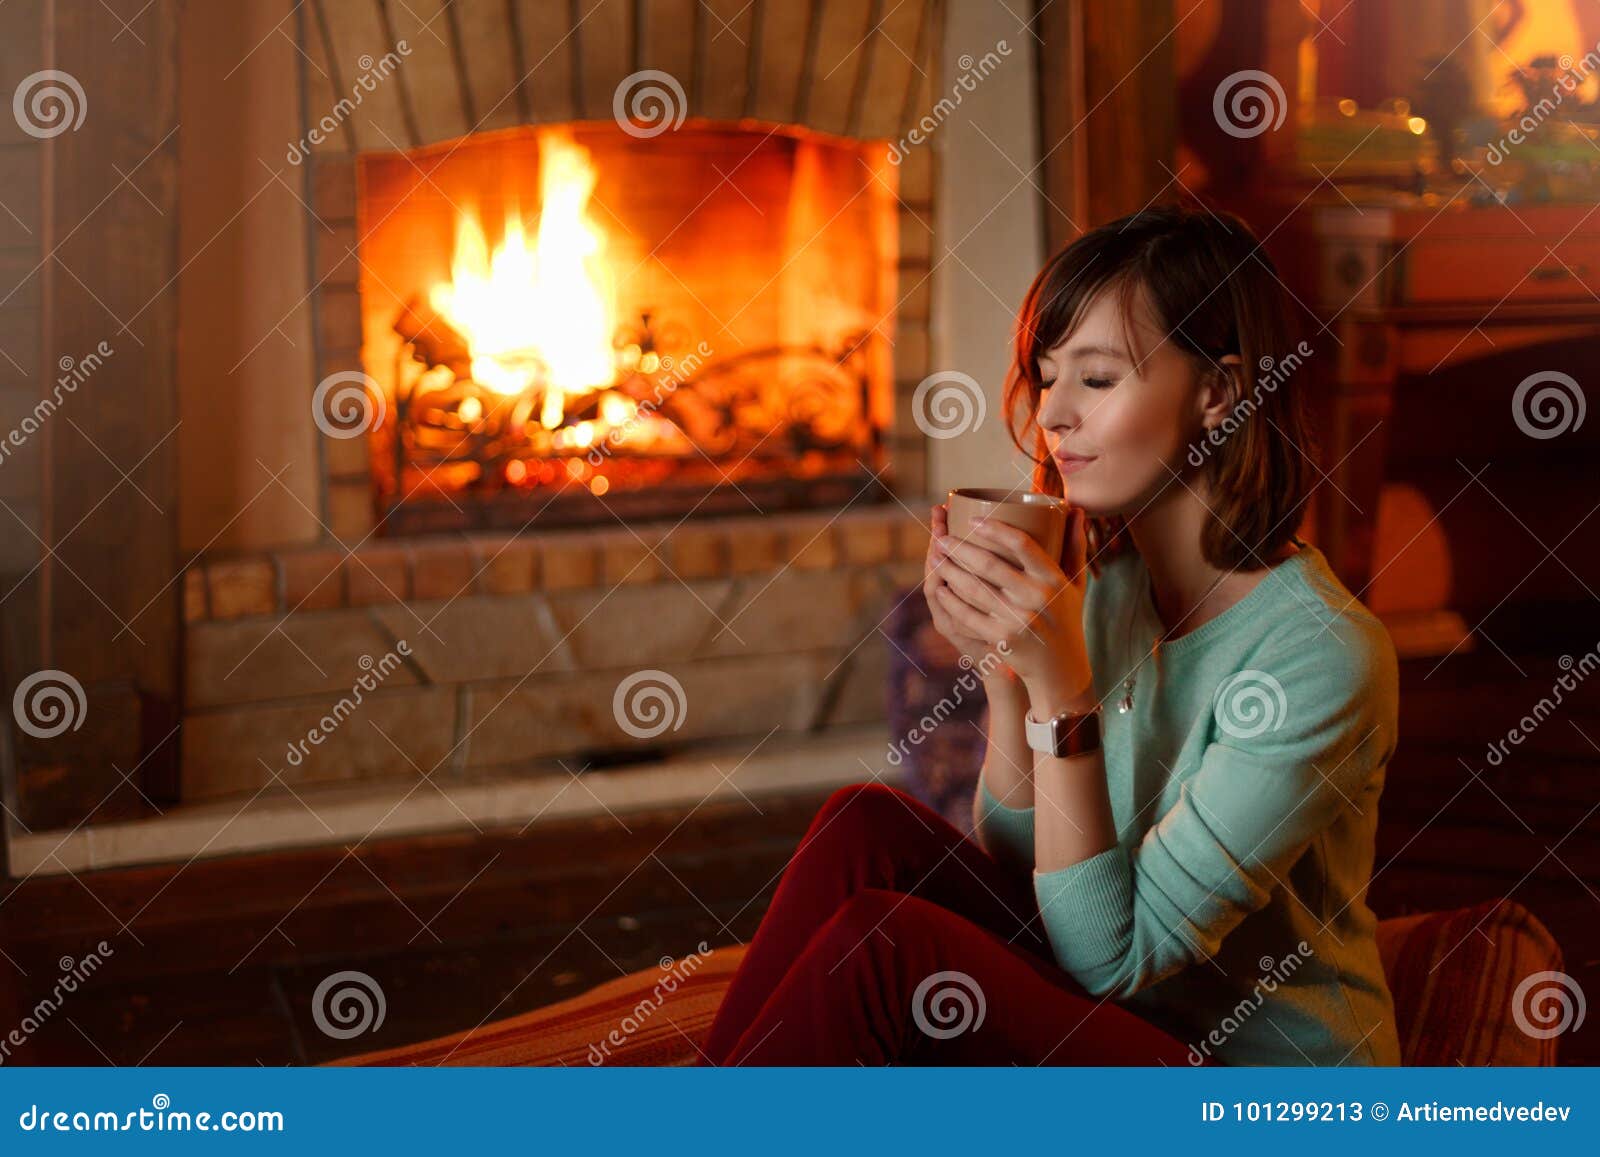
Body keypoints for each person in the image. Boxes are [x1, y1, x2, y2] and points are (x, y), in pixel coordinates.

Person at [699, 206, 1402, 1066]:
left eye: (1099, 380)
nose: (1054, 412)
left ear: (1219, 391)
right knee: (863, 828)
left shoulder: (1319, 654)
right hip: (1127, 1023)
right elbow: (1031, 880)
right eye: (1046, 374)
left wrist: (1065, 691)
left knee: (883, 953)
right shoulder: (1105, 589)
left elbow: (1114, 957)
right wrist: (1005, 674)